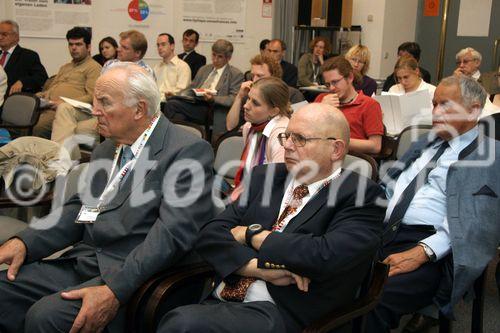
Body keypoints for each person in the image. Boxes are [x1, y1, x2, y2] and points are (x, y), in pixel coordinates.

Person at [0, 63, 215, 333]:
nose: (94, 111)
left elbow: (170, 236)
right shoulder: (107, 149)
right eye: (94, 101)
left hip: (134, 276)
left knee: (47, 316)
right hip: (86, 262)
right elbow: (78, 211)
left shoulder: (186, 151)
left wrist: (114, 290)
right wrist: (23, 242)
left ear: (139, 109)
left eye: (104, 103)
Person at [156, 103, 385, 333]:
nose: (286, 145)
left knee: (183, 324)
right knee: (165, 312)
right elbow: (210, 235)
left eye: (300, 139)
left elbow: (323, 255)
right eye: (287, 136)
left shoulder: (362, 195)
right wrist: (255, 268)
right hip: (223, 293)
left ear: (335, 149)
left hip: (284, 311)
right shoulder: (265, 177)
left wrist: (251, 234)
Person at [366, 76, 500, 332]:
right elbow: (389, 185)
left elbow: (477, 221)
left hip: (433, 248)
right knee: (331, 275)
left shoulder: (490, 154)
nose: (436, 112)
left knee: (376, 299)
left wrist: (422, 252)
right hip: (382, 231)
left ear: (473, 110)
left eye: (446, 105)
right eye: (434, 104)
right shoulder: (425, 142)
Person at [33, 27, 101, 143]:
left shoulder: (93, 67)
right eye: (71, 44)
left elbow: (92, 97)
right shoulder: (65, 67)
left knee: (38, 126)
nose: (74, 48)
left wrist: (64, 102)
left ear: (88, 47)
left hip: (71, 110)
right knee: (23, 116)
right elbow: (51, 89)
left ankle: (45, 157)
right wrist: (38, 96)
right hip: (48, 106)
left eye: (78, 44)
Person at [230, 77, 291, 201]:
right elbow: (230, 126)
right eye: (248, 98)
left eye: (255, 103)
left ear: (274, 111)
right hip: (248, 193)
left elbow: (277, 184)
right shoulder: (250, 126)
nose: (246, 106)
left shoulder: (281, 134)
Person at [163, 39, 243, 125]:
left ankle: (171, 135)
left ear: (228, 58)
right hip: (196, 103)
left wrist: (213, 99)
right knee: (178, 114)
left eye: (220, 57)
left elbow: (233, 99)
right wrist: (176, 95)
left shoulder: (235, 74)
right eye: (213, 55)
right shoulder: (204, 69)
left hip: (213, 109)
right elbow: (190, 89)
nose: (215, 59)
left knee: (171, 105)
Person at [315, 56, 384, 154]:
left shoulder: (369, 105)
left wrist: (337, 142)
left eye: (335, 82)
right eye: (327, 84)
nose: (331, 88)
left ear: (350, 77)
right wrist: (322, 109)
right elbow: (307, 131)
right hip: (321, 156)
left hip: (351, 160)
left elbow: (375, 146)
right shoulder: (322, 99)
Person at [226, 54, 305, 131]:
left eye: (260, 76)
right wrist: (239, 97)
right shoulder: (250, 93)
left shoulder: (294, 94)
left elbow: (302, 125)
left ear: (274, 76)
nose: (254, 80)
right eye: (252, 75)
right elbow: (230, 126)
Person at [0, 20, 48, 101]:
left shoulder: (28, 56)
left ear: (16, 36)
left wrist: (23, 82)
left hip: (12, 101)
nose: (0, 37)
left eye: (4, 34)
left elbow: (42, 78)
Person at [154, 33, 191, 102]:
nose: (159, 48)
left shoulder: (183, 67)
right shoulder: (157, 67)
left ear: (172, 46)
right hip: (156, 104)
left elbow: (181, 93)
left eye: (163, 44)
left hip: (172, 104)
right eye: (158, 45)